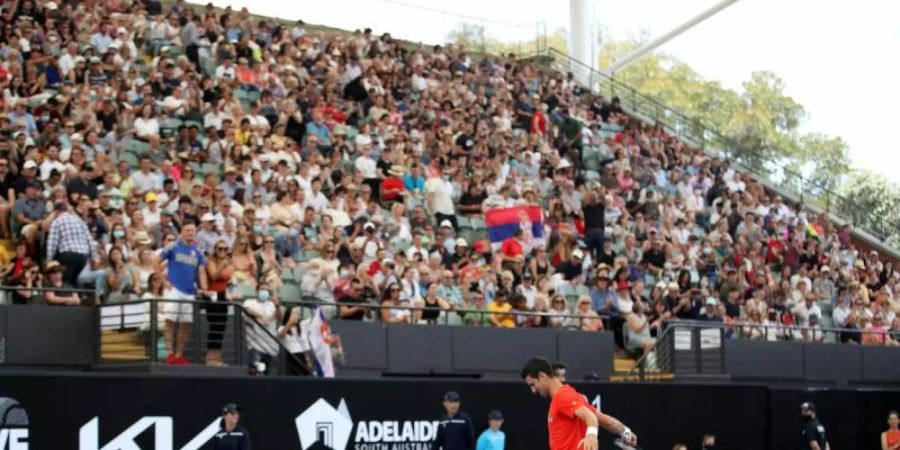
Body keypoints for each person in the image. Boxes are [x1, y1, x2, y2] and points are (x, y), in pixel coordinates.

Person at [520, 357, 637, 450]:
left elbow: (590, 417)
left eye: (533, 384)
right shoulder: (574, 397)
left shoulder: (562, 396)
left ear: (542, 376)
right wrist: (626, 432)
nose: (533, 390)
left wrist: (591, 435)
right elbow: (608, 421)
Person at [159, 222, 209, 365]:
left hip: (189, 292)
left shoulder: (198, 251)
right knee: (170, 322)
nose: (190, 233)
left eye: (192, 230)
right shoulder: (173, 246)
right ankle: (169, 354)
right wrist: (163, 280)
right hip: (173, 289)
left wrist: (204, 286)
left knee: (186, 324)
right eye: (187, 230)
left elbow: (201, 271)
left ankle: (179, 354)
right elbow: (156, 262)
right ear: (181, 232)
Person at [45, 202, 95, 288]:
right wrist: (93, 258)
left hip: (68, 254)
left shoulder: (57, 221)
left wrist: (49, 260)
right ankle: (80, 297)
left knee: (63, 280)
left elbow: (52, 242)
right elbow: (90, 240)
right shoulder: (79, 220)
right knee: (73, 279)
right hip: (83, 255)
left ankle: (66, 298)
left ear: (56, 212)